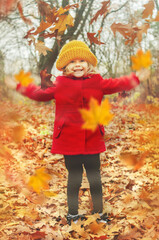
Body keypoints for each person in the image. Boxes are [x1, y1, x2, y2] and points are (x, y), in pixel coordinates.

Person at [10, 40, 140, 225]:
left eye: (81, 61)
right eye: (72, 62)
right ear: (65, 67)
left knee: (95, 177)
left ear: (88, 64)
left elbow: (117, 83)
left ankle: (98, 212)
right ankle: (72, 213)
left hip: (92, 138)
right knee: (74, 178)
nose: (77, 64)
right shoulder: (59, 83)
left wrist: (134, 79)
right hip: (69, 141)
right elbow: (39, 93)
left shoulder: (97, 82)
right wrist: (21, 86)